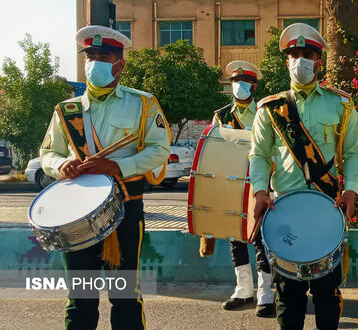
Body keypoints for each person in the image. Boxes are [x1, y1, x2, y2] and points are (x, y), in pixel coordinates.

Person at [40, 25, 171, 330]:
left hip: (125, 210)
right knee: (80, 299)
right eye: (91, 56)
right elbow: (47, 153)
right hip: (75, 214)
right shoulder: (67, 110)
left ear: (119, 64)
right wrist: (63, 165)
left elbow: (160, 150)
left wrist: (118, 168)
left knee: (125, 297)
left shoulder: (143, 103)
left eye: (103, 56)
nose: (94, 62)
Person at [249, 23, 358, 330]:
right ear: (287, 61)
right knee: (288, 296)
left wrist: (351, 190)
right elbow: (258, 155)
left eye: (308, 54)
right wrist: (260, 191)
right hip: (283, 208)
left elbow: (354, 152)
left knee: (327, 293)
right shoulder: (269, 108)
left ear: (319, 61)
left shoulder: (341, 103)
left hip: (327, 208)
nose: (301, 60)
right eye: (295, 54)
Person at [198, 60, 275, 317]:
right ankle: (244, 291)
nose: (238, 86)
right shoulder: (222, 115)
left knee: (262, 240)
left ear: (254, 85)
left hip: (260, 183)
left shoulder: (266, 111)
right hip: (231, 183)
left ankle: (266, 295)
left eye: (243, 82)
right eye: (234, 82)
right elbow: (215, 149)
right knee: (235, 239)